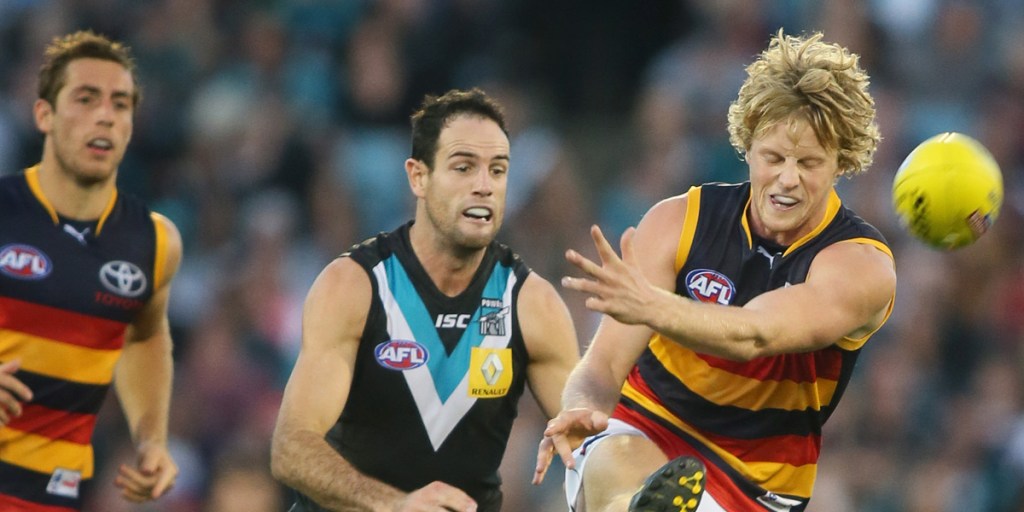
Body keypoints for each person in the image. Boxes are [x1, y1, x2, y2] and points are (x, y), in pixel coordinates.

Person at [534, 30, 897, 512]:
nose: (787, 179)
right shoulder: (678, 220)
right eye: (773, 158)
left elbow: (755, 334)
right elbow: (601, 370)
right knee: (617, 464)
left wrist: (654, 306)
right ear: (747, 146)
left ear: (841, 163)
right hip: (647, 427)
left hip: (757, 482)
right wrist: (581, 405)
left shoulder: (860, 265)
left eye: (809, 163)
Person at [271, 88, 580, 512]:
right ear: (418, 176)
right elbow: (291, 447)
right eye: (464, 167)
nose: (484, 186)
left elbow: (591, 444)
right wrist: (393, 505)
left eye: (498, 170)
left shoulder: (532, 305)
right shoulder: (356, 286)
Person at [0, 30, 182, 511]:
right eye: (86, 98)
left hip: (49, 496)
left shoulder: (154, 241)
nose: (105, 114)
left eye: (120, 104)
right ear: (44, 114)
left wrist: (151, 440)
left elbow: (144, 336)